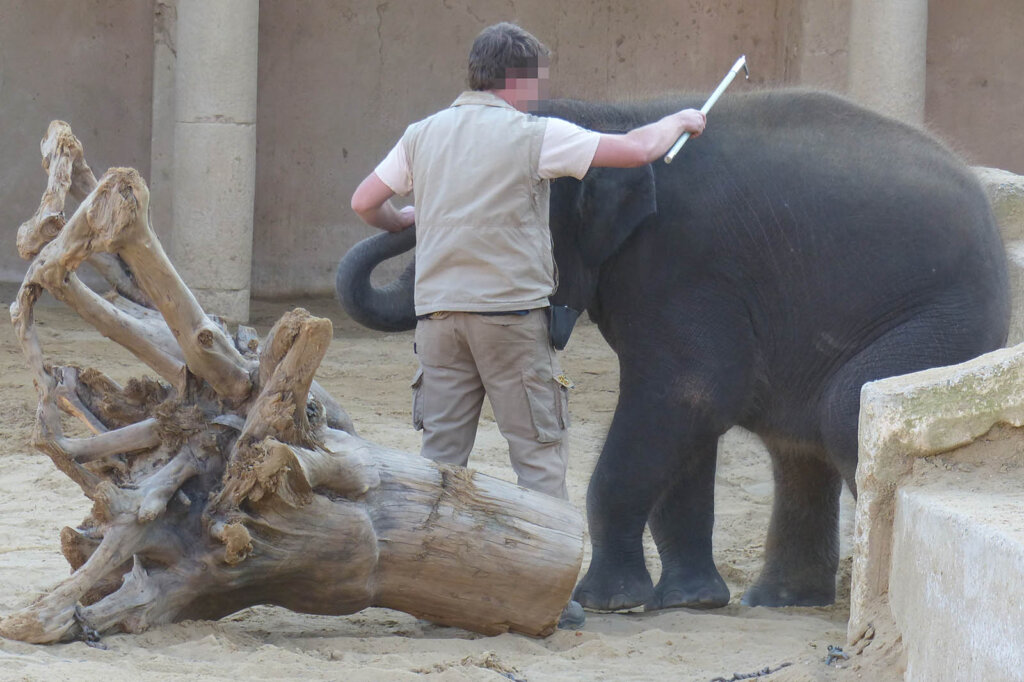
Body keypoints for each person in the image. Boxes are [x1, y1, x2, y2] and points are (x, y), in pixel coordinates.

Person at [350, 22, 705, 628]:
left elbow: (364, 201)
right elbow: (636, 150)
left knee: (441, 464)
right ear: (516, 79)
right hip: (509, 320)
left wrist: (405, 217)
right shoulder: (533, 135)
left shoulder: (422, 134)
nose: (540, 92)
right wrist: (680, 123)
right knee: (537, 459)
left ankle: (437, 598)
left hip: (436, 321)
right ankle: (549, 596)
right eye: (536, 79)